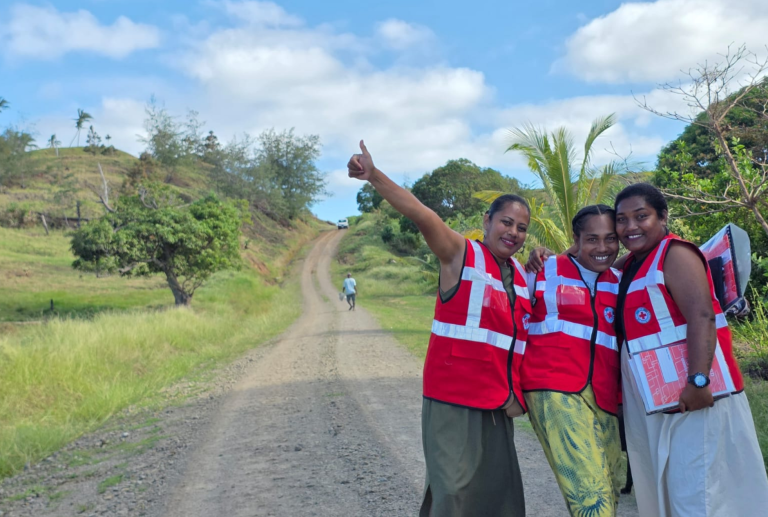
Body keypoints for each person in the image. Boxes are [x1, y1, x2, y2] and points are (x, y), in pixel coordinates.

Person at [347, 141, 531, 517]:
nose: (513, 232)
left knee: (500, 498)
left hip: (496, 402)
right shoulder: (460, 254)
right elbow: (423, 215)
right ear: (487, 221)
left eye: (522, 228)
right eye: (506, 222)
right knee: (452, 494)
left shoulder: (524, 276)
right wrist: (375, 176)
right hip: (453, 400)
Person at [613, 183, 768, 517]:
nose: (630, 226)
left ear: (663, 217)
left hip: (694, 393)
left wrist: (698, 381)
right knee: (674, 487)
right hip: (658, 399)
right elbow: (590, 258)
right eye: (621, 220)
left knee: (701, 492)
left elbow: (702, 315)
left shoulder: (676, 254)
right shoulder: (632, 264)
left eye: (642, 216)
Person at [522, 205, 623, 517]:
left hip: (604, 396)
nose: (603, 248)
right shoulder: (543, 272)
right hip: (553, 388)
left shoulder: (620, 282)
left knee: (611, 489)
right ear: (576, 239)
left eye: (610, 239)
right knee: (591, 500)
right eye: (592, 239)